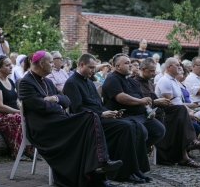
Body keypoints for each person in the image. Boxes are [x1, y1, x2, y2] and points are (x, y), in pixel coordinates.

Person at [19, 51, 123, 187]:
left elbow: (66, 101)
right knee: (90, 116)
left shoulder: (48, 82)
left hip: (58, 121)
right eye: (50, 62)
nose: (54, 65)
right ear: (41, 63)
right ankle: (100, 164)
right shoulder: (26, 83)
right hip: (43, 127)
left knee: (90, 119)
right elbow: (41, 107)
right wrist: (57, 105)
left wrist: (54, 99)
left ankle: (98, 176)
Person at [63, 53, 151, 184]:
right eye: (91, 68)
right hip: (87, 122)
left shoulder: (89, 81)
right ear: (81, 65)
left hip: (99, 117)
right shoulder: (72, 83)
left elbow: (99, 105)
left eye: (94, 68)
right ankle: (124, 173)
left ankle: (136, 168)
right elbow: (78, 110)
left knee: (135, 125)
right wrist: (102, 114)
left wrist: (111, 112)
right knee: (127, 127)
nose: (94, 71)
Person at [151, 57, 200, 167]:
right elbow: (169, 103)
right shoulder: (165, 81)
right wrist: (187, 113)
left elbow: (180, 102)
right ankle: (189, 146)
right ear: (169, 67)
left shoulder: (175, 81)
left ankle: (185, 155)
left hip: (177, 113)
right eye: (177, 65)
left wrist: (190, 112)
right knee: (186, 118)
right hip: (165, 114)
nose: (180, 67)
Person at [0, 55, 32, 159]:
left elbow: (16, 100)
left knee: (31, 116)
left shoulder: (10, 81)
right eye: (7, 65)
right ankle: (17, 152)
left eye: (11, 64)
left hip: (10, 113)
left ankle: (29, 150)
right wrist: (18, 112)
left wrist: (22, 108)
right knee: (19, 118)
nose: (11, 67)